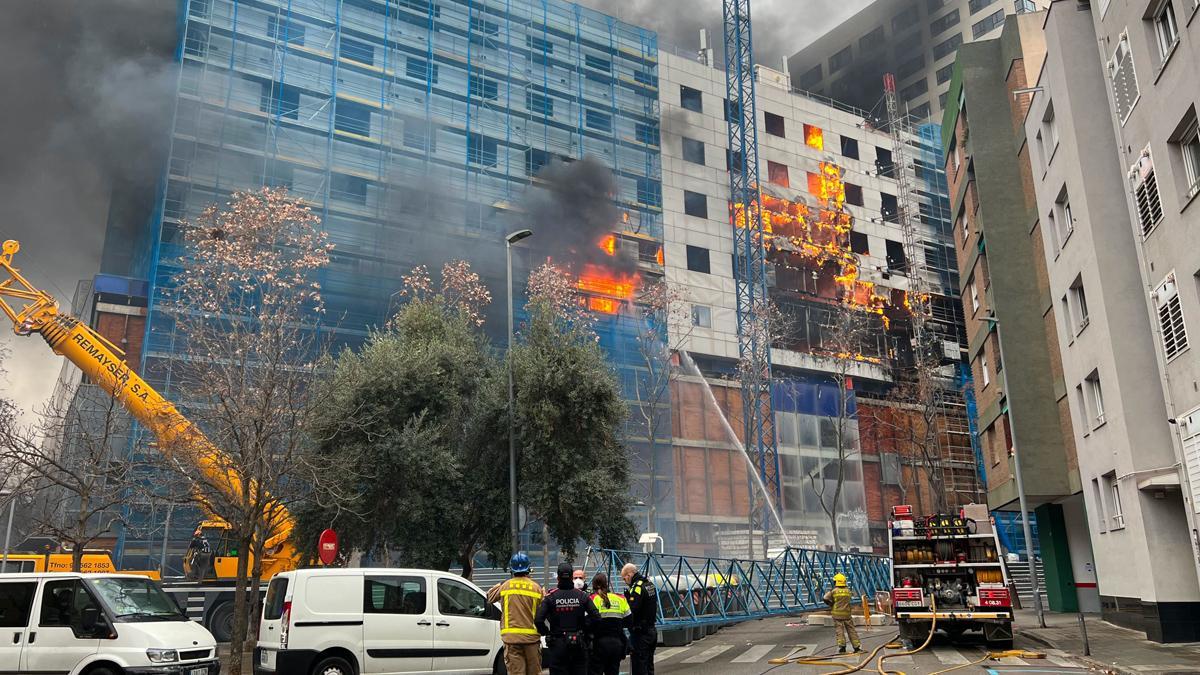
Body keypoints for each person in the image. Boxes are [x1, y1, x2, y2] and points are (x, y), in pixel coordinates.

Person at [536, 562, 599, 675]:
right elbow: (596, 617)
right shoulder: (582, 595)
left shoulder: (551, 596)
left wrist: (548, 633)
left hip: (558, 644)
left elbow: (538, 620)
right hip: (578, 643)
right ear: (571, 577)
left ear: (558, 578)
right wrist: (586, 630)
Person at [486, 552, 544, 675]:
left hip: (511, 640)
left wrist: (500, 584)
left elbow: (489, 597)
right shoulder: (536, 587)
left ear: (512, 569)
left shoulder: (505, 586)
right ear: (528, 568)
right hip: (531, 639)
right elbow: (544, 609)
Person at [588, 572, 630, 675]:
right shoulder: (620, 598)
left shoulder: (592, 599)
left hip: (598, 645)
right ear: (606, 584)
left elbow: (587, 622)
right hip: (617, 644)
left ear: (593, 585)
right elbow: (629, 621)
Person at [621, 563, 657, 675]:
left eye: (624, 578)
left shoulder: (637, 587)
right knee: (649, 665)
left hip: (641, 633)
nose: (624, 581)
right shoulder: (649, 584)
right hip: (651, 631)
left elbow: (633, 609)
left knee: (639, 666)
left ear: (629, 574)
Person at [823, 573, 863, 654]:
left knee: (839, 631)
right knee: (851, 630)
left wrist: (831, 604)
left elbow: (825, 598)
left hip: (837, 615)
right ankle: (856, 647)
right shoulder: (848, 591)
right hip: (847, 614)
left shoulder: (834, 591)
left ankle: (842, 648)